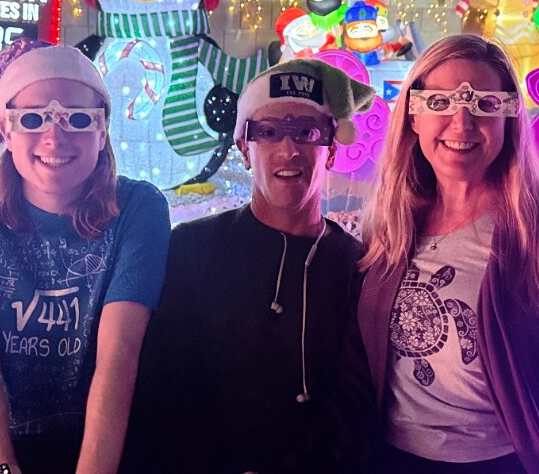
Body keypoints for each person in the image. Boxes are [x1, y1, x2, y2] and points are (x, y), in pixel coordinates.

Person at [357, 34, 539, 474]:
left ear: (509, 118)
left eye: (484, 104)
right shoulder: (389, 223)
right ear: (413, 116)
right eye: (439, 102)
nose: (462, 123)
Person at [0, 39, 170, 474]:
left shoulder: (139, 208)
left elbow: (118, 359)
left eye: (78, 119)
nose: (54, 137)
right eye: (33, 119)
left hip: (107, 443)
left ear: (102, 130)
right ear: (6, 129)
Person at [126, 59, 377, 473]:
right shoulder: (192, 248)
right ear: (245, 148)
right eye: (269, 132)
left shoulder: (357, 267)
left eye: (307, 132)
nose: (288, 149)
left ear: (331, 150)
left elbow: (355, 407)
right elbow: (162, 386)